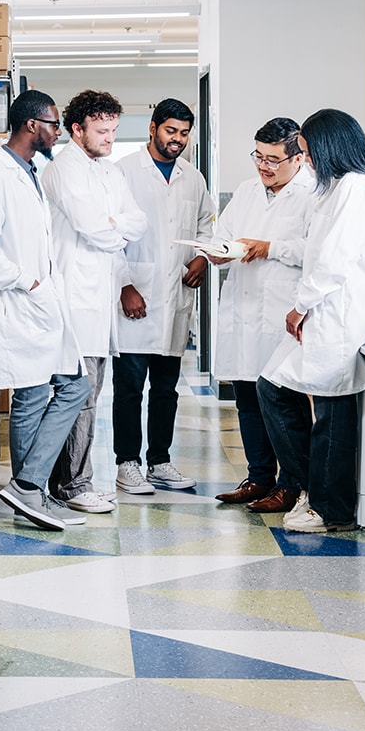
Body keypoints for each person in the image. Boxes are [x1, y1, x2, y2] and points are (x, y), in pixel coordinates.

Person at [0, 89, 91, 531]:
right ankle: (29, 489)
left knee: (69, 387)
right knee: (35, 395)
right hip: (20, 302)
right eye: (54, 124)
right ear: (31, 125)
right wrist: (27, 280)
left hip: (39, 303)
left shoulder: (29, 171)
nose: (58, 131)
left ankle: (28, 486)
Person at [257, 108, 365, 533]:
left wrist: (301, 305)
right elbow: (314, 247)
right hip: (322, 311)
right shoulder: (332, 189)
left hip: (339, 317)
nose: (307, 160)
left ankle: (332, 510)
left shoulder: (358, 187)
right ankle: (308, 485)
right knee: (272, 386)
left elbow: (335, 259)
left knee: (332, 412)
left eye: (310, 152)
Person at [44, 89, 148, 512]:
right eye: (102, 131)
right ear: (77, 130)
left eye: (113, 130)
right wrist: (113, 227)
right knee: (80, 396)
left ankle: (75, 480)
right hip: (74, 301)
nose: (109, 138)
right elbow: (95, 229)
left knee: (90, 395)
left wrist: (114, 226)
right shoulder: (64, 170)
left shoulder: (108, 172)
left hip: (98, 301)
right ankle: (72, 486)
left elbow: (137, 223)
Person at [208, 118, 317, 511]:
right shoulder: (246, 190)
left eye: (273, 159)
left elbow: (315, 251)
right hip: (242, 307)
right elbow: (226, 234)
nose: (263, 166)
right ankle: (258, 479)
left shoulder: (313, 194)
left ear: (298, 157)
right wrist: (217, 251)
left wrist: (271, 247)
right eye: (259, 156)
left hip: (280, 313)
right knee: (246, 398)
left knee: (281, 402)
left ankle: (292, 484)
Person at [112, 98, 216, 494]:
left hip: (175, 297)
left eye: (185, 133)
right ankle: (127, 463)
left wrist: (203, 258)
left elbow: (206, 224)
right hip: (136, 294)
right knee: (129, 388)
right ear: (153, 127)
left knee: (166, 389)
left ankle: (159, 461)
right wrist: (124, 285)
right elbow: (110, 238)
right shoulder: (124, 172)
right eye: (171, 130)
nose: (178, 139)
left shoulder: (193, 177)